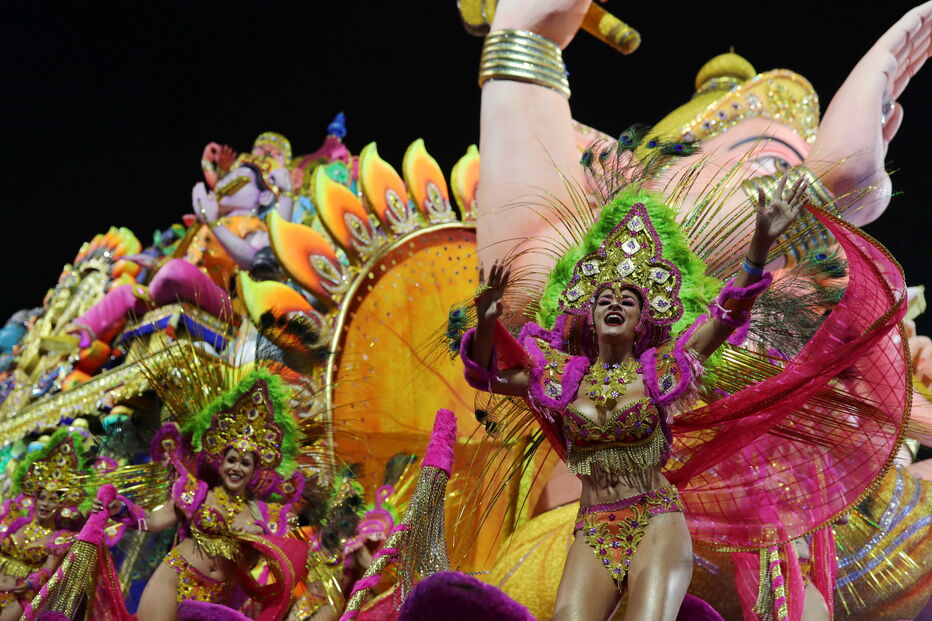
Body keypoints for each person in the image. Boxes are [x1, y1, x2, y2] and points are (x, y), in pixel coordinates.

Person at [92, 369, 307, 621]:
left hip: (216, 598)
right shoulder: (197, 493)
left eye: (245, 463)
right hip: (175, 578)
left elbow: (279, 562)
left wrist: (257, 532)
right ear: (221, 462)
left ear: (254, 470)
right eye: (231, 460)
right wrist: (121, 508)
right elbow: (153, 520)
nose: (236, 468)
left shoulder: (263, 515)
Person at [0, 428, 92, 621]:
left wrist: (30, 584)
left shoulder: (60, 538)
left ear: (62, 505)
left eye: (52, 500)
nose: (45, 503)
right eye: (41, 497)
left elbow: (48, 571)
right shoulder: (13, 523)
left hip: (20, 595)